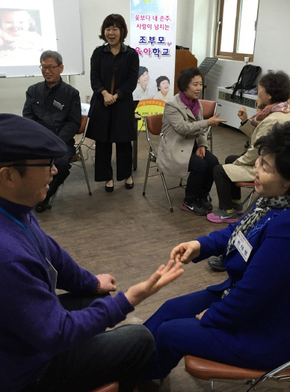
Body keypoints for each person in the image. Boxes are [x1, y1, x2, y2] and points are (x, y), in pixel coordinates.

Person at [0, 113, 184, 392]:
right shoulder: (7, 257)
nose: (54, 170)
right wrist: (130, 299)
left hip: (25, 336)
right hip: (28, 370)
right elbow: (56, 334)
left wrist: (90, 282)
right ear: (9, 175)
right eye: (46, 164)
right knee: (140, 339)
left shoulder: (13, 206)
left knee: (91, 298)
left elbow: (50, 251)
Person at [143, 120, 290, 381]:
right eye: (259, 161)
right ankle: (127, 362)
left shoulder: (285, 228)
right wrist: (201, 245)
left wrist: (214, 316)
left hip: (261, 333)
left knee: (169, 332)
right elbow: (240, 233)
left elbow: (252, 294)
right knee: (169, 310)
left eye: (265, 167)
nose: (255, 168)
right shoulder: (272, 202)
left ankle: (137, 379)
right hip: (241, 305)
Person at [208, 70, 290, 226]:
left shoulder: (272, 119)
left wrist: (238, 163)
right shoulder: (279, 112)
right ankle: (236, 202)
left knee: (219, 169)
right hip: (274, 165)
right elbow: (258, 137)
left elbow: (257, 151)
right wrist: (245, 121)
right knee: (231, 159)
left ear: (270, 95)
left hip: (268, 168)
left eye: (260, 90)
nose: (258, 94)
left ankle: (227, 212)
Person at [157, 67, 226, 215]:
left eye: (200, 84)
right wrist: (207, 123)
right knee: (200, 165)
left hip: (191, 144)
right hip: (174, 148)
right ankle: (189, 201)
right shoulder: (172, 105)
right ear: (184, 85)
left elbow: (198, 127)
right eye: (195, 84)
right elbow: (183, 128)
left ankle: (201, 195)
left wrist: (201, 144)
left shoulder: (196, 103)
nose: (199, 88)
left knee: (213, 162)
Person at [23, 50, 81, 212]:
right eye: (43, 67)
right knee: (19, 161)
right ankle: (26, 196)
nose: (46, 71)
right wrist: (39, 138)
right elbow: (28, 117)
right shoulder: (33, 91)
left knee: (61, 164)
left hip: (60, 141)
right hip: (37, 141)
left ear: (60, 68)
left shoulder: (71, 93)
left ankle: (44, 197)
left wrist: (56, 140)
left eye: (50, 67)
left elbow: (73, 122)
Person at [86, 14, 139, 193]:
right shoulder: (98, 53)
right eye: (108, 29)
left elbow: (132, 81)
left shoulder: (131, 54)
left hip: (122, 103)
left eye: (115, 29)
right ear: (104, 31)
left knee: (124, 142)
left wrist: (115, 96)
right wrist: (104, 93)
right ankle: (107, 177)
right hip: (102, 103)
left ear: (122, 31)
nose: (111, 32)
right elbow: (94, 79)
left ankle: (126, 175)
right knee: (103, 142)